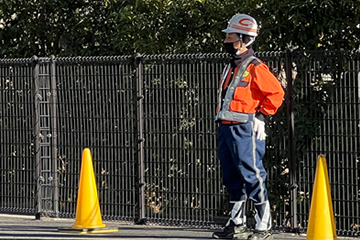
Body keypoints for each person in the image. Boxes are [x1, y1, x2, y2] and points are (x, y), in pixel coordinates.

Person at [212, 14, 285, 240]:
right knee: (231, 175)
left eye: (231, 36)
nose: (226, 40)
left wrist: (262, 115)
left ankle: (263, 226)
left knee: (252, 174)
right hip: (226, 127)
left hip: (244, 129)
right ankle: (237, 223)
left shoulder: (255, 67)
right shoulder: (231, 66)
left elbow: (276, 93)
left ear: (244, 39)